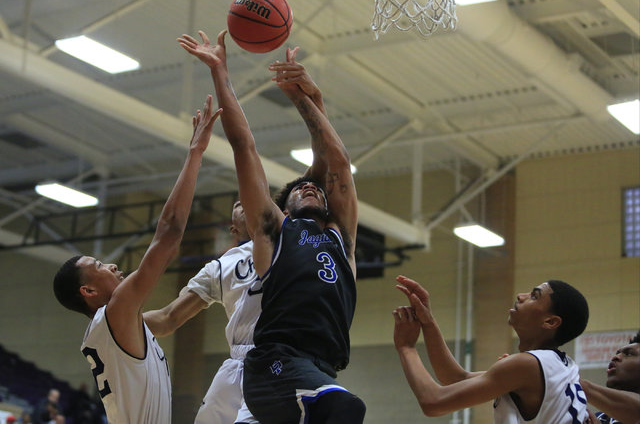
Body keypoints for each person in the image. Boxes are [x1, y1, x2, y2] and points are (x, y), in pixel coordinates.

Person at [177, 30, 366, 424]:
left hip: (317, 369)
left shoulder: (340, 237)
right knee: (344, 407)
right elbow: (244, 146)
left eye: (315, 186)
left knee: (330, 401)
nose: (309, 186)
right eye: (299, 189)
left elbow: (337, 160)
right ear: (284, 209)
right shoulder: (275, 234)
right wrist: (220, 70)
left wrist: (311, 98)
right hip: (274, 364)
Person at [53, 96, 221, 424]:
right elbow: (169, 234)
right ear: (88, 291)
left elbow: (172, 317)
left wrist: (218, 274)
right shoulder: (114, 314)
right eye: (100, 266)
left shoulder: (122, 326)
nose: (112, 265)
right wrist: (195, 154)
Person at [393, 275, 590, 423]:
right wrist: (428, 321)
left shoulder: (528, 365)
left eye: (534, 296)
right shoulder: (557, 365)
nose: (521, 296)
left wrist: (407, 348)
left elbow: (433, 402)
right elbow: (455, 378)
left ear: (550, 321)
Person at [143, 200, 261, 424]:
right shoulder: (220, 267)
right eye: (238, 204)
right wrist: (116, 322)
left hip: (288, 358)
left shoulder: (292, 243)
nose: (246, 200)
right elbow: (168, 317)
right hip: (240, 363)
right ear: (234, 229)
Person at [581, 331, 640, 424]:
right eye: (617, 353)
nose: (615, 357)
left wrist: (578, 383)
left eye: (628, 354)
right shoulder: (598, 418)